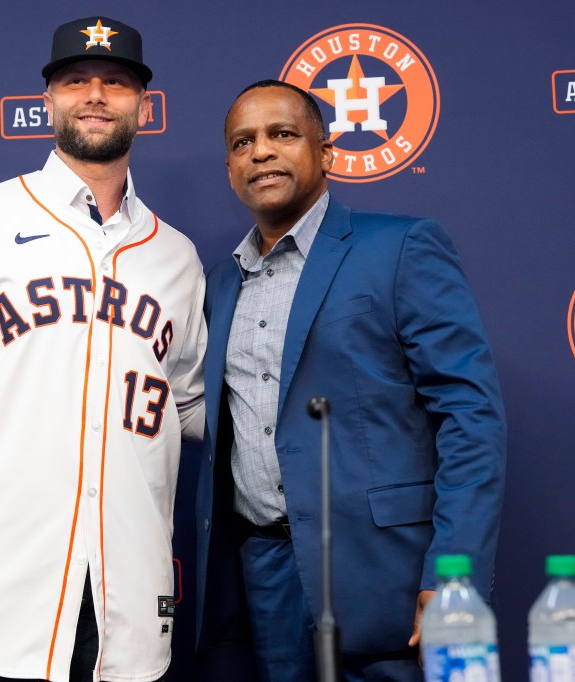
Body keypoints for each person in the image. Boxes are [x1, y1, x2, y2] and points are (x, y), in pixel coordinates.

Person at [0, 16, 206, 682]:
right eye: (77, 80)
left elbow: (188, 405)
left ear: (143, 102)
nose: (96, 95)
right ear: (48, 98)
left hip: (129, 604)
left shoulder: (177, 258)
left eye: (116, 82)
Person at [194, 80, 506, 682]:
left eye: (282, 134)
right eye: (243, 142)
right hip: (265, 574)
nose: (261, 151)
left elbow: (470, 418)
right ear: (231, 169)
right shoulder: (219, 285)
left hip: (384, 571)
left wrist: (453, 573)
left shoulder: (401, 247)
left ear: (326, 152)